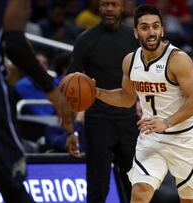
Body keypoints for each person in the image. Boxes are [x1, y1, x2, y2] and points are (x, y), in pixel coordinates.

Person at [93, 5, 193, 203]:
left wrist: (167, 122)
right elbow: (126, 99)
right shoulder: (130, 61)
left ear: (162, 29)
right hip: (151, 137)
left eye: (155, 26)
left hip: (184, 138)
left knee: (192, 200)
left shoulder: (177, 59)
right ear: (136, 32)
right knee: (140, 193)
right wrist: (97, 92)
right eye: (145, 27)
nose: (151, 32)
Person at [0, 1, 74, 203]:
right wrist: (51, 88)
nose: (28, 11)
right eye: (27, 5)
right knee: (11, 181)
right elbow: (14, 42)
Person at [66, 0, 140, 202]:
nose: (109, 9)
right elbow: (69, 86)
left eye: (114, 4)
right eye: (105, 4)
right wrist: (71, 129)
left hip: (129, 120)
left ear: (122, 7)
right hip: (98, 121)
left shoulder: (133, 38)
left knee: (135, 187)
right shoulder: (85, 40)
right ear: (98, 7)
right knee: (98, 188)